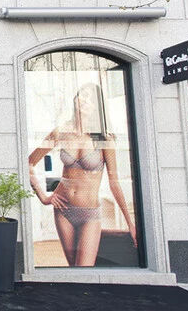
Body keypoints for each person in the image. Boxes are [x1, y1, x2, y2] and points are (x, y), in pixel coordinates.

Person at [28, 83, 137, 267]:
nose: (86, 100)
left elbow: (114, 183)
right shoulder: (60, 132)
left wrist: (130, 224)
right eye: (83, 95)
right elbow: (29, 163)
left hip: (89, 214)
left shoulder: (104, 138)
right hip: (63, 210)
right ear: (75, 100)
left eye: (91, 99)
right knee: (73, 269)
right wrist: (43, 197)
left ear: (97, 108)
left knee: (84, 269)